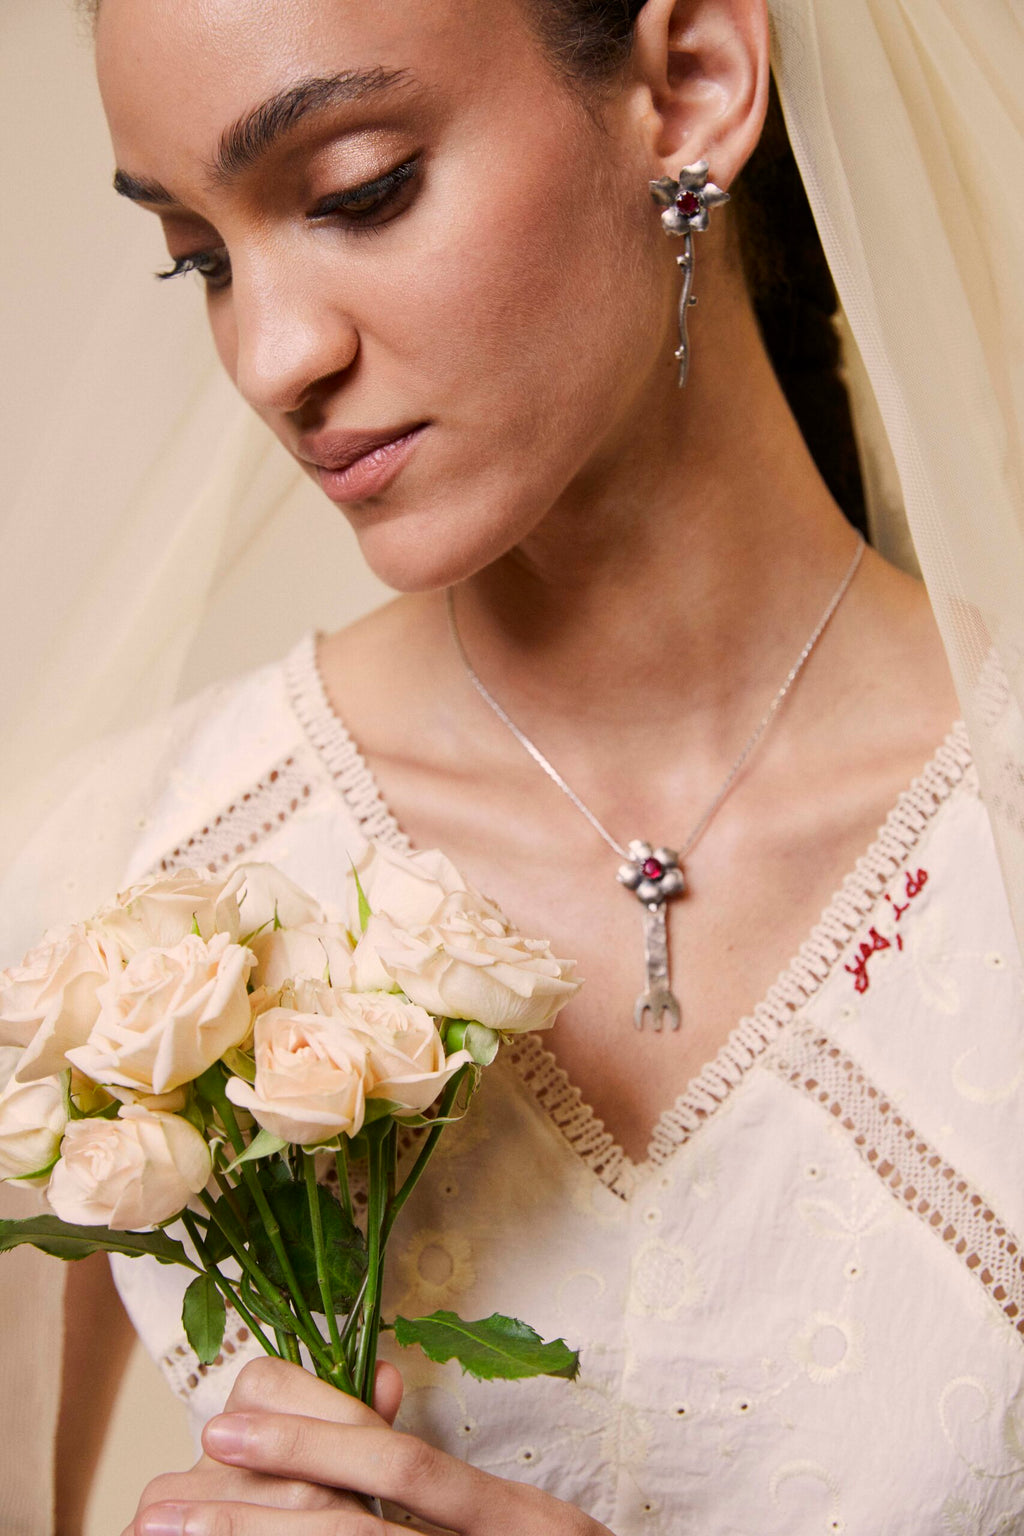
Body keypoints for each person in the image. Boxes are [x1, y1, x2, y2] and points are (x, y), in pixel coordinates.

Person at [4, 0, 1023, 1531]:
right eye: (201, 259)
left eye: (358, 191)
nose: (273, 358)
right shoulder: (125, 909)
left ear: (689, 87)